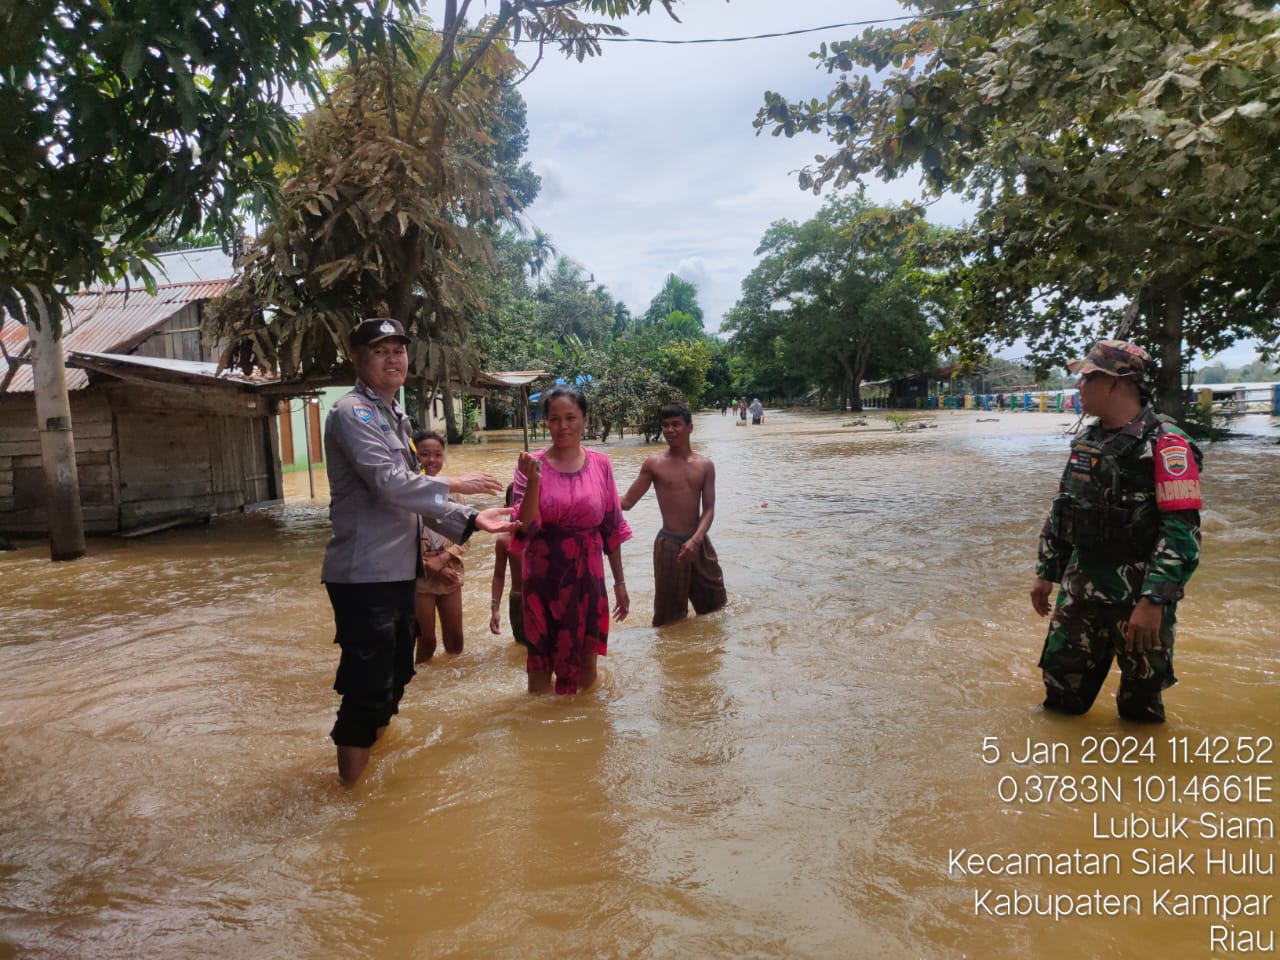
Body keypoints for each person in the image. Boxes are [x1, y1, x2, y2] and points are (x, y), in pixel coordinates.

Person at [321, 317, 515, 784]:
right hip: (362, 575)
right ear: (357, 358)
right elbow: (390, 484)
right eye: (380, 350)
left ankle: (374, 778)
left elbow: (412, 504)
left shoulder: (396, 417)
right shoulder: (353, 414)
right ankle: (349, 798)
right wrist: (453, 482)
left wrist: (471, 518)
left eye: (398, 349)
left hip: (396, 573)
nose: (393, 358)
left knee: (396, 679)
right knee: (366, 690)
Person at [1030, 340, 1202, 723]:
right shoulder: (1089, 440)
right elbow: (1065, 506)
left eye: (1088, 377)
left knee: (1140, 707)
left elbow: (1182, 532)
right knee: (1060, 695)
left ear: (1117, 382)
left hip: (1136, 596)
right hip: (1080, 588)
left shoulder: (1167, 444)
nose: (1079, 386)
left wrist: (1154, 601)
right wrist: (1047, 571)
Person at [512, 385, 631, 694]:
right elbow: (524, 525)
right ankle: (540, 733)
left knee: (586, 664)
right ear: (545, 422)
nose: (562, 426)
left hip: (587, 576)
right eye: (554, 419)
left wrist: (619, 583)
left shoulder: (601, 464)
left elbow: (612, 527)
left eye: (570, 418)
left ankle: (584, 728)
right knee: (540, 664)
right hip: (542, 577)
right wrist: (535, 479)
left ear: (585, 420)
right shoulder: (529, 464)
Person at [621, 402, 727, 627]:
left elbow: (709, 509)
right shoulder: (654, 464)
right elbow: (627, 502)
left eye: (676, 424)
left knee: (715, 611)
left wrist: (696, 540)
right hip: (669, 546)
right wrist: (592, 495)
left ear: (689, 427)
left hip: (699, 544)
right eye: (665, 425)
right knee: (668, 621)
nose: (670, 430)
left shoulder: (705, 466)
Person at [412, 429, 466, 662]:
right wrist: (431, 565)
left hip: (449, 569)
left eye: (438, 455)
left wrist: (443, 561)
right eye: (424, 454)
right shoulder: (404, 494)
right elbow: (398, 540)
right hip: (417, 573)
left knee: (455, 640)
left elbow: (465, 536)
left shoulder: (454, 493)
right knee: (426, 641)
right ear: (414, 457)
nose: (431, 460)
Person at [488, 483, 527, 647]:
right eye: (516, 501)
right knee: (521, 647)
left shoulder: (543, 538)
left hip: (541, 598)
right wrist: (495, 609)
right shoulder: (504, 541)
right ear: (506, 508)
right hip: (518, 600)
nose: (522, 506)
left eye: (526, 500)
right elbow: (498, 576)